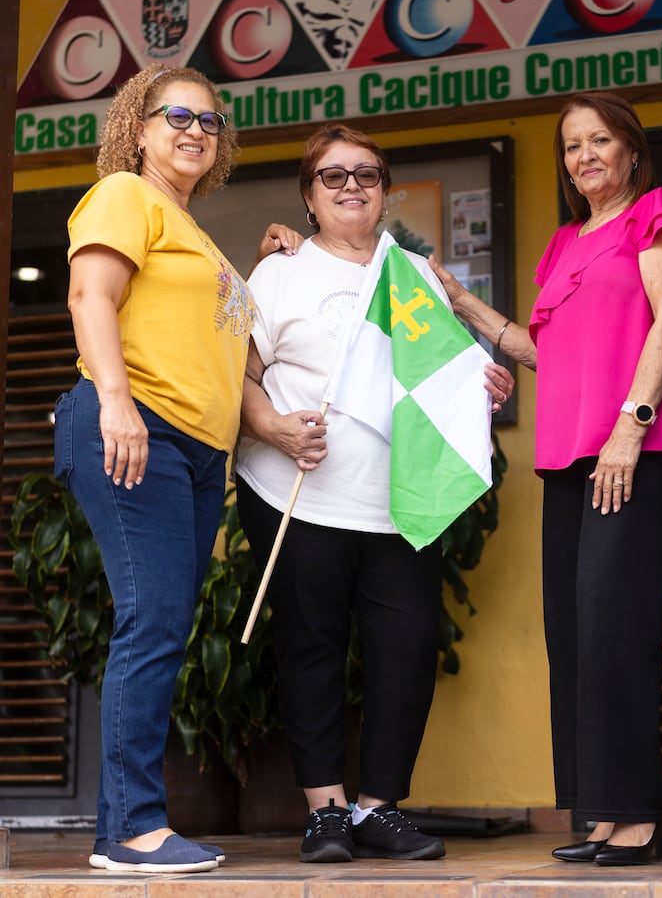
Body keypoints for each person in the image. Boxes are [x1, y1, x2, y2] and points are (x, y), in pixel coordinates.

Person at [429, 92, 662, 866]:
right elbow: (546, 350)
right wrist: (460, 302)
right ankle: (604, 814)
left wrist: (630, 426)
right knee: (576, 638)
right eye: (573, 146)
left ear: (630, 149)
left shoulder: (652, 213)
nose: (585, 157)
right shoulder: (561, 245)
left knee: (619, 632)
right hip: (568, 462)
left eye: (600, 141)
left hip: (631, 454)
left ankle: (642, 817)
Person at [234, 123, 514, 864]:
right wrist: (273, 429)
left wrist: (477, 386)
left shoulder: (416, 274)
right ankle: (325, 814)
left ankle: (378, 809)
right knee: (311, 648)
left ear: (386, 189)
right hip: (294, 493)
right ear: (309, 196)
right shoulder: (276, 273)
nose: (351, 185)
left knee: (407, 649)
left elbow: (436, 375)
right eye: (333, 176)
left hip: (400, 502)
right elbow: (239, 371)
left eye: (366, 173)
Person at [54, 64, 301, 873]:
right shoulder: (124, 196)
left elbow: (233, 357)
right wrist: (117, 403)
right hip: (137, 426)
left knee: (164, 625)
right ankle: (130, 830)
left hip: (197, 452)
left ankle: (127, 826)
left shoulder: (198, 237)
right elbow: (91, 296)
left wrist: (273, 265)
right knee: (153, 622)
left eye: (210, 122)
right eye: (178, 116)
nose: (196, 130)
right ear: (138, 126)